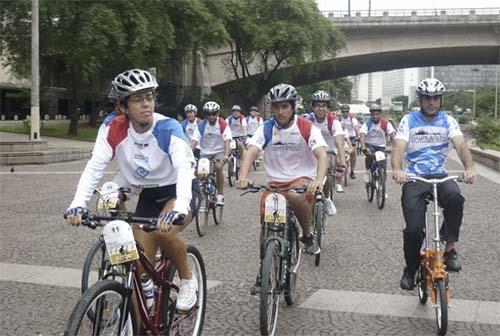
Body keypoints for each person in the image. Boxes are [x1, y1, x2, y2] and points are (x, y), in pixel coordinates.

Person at [64, 69, 200, 311]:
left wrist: (179, 207)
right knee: (137, 260)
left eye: (149, 97)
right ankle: (144, 293)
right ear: (123, 106)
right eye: (138, 99)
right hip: (148, 193)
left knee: (164, 232)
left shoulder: (167, 128)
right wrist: (78, 203)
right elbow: (95, 166)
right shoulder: (112, 127)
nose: (146, 104)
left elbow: (183, 169)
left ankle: (188, 279)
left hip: (178, 191)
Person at [391, 78, 476, 290]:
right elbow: (398, 148)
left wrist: (469, 167)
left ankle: (449, 250)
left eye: (435, 98)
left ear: (440, 100)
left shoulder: (448, 121)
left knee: (456, 198)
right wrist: (398, 169)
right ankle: (410, 269)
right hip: (415, 179)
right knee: (413, 230)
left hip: (439, 176)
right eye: (427, 98)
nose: (431, 102)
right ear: (420, 99)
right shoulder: (408, 120)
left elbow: (460, 145)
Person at [236, 83, 328, 258]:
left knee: (294, 196)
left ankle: (307, 235)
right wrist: (242, 176)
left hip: (302, 179)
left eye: (285, 106)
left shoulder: (306, 127)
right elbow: (251, 152)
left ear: (293, 107)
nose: (280, 112)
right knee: (268, 226)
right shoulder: (266, 127)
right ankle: (265, 270)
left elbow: (322, 156)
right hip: (275, 183)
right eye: (276, 107)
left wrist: (317, 180)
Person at [304, 90, 346, 215]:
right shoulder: (307, 119)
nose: (320, 109)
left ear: (327, 107)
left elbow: (339, 142)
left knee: (326, 170)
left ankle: (327, 198)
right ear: (313, 107)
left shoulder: (333, 121)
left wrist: (342, 160)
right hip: (311, 151)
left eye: (323, 106)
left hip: (328, 151)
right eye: (317, 105)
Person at [191, 101, 232, 206]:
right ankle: (205, 192)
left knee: (218, 167)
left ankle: (220, 195)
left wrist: (226, 155)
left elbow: (227, 141)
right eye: (208, 114)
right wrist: (189, 155)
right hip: (205, 153)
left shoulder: (222, 124)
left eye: (214, 113)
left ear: (217, 113)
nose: (211, 116)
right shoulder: (201, 125)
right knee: (200, 175)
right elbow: (194, 141)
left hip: (219, 152)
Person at [359, 103, 396, 197]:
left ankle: (382, 187)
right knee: (369, 155)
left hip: (381, 147)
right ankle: (368, 172)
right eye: (373, 114)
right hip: (369, 145)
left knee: (383, 168)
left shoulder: (385, 123)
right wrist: (363, 147)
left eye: (377, 114)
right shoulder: (368, 123)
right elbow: (362, 134)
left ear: (380, 114)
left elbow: (392, 134)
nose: (375, 116)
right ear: (371, 114)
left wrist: (394, 146)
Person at [339, 104, 360, 179]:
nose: (345, 113)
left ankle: (352, 170)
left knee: (353, 152)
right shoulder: (338, 119)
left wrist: (358, 136)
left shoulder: (352, 119)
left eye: (346, 111)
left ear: (348, 112)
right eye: (343, 111)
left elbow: (356, 127)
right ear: (341, 112)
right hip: (341, 137)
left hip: (351, 137)